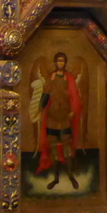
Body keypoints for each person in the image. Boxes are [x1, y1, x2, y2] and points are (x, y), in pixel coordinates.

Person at [33, 52, 82, 189]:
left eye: (63, 61)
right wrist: (41, 108)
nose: (60, 63)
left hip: (65, 116)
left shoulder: (69, 78)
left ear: (65, 63)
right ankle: (56, 178)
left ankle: (71, 176)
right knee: (54, 147)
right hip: (52, 118)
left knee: (67, 147)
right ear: (55, 62)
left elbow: (75, 96)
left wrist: (73, 111)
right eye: (58, 61)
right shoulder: (51, 77)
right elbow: (46, 94)